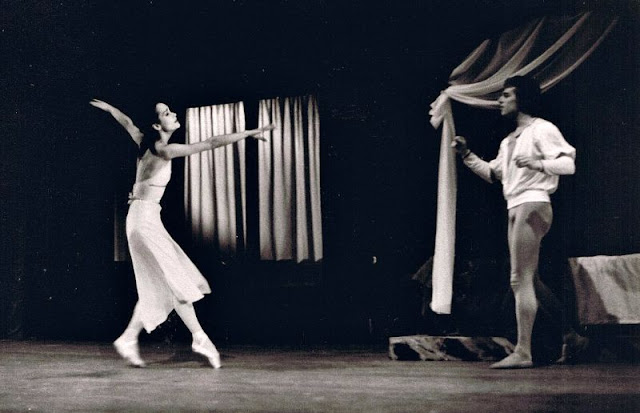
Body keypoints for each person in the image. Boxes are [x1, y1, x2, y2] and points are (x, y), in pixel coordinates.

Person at [90, 99, 273, 368]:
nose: (173, 114)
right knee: (176, 280)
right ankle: (199, 337)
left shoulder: (144, 142)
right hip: (143, 221)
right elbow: (210, 143)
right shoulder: (164, 150)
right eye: (166, 113)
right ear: (157, 125)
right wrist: (248, 132)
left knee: (162, 284)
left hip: (144, 219)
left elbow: (127, 122)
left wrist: (110, 109)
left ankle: (129, 337)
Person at [451, 76, 577, 369]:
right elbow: (493, 173)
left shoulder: (542, 128)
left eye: (506, 95)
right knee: (530, 280)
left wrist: (539, 164)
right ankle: (569, 335)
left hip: (532, 202)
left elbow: (568, 164)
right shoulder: (509, 141)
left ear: (522, 98)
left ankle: (523, 351)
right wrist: (466, 154)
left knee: (519, 279)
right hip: (516, 203)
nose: (500, 100)